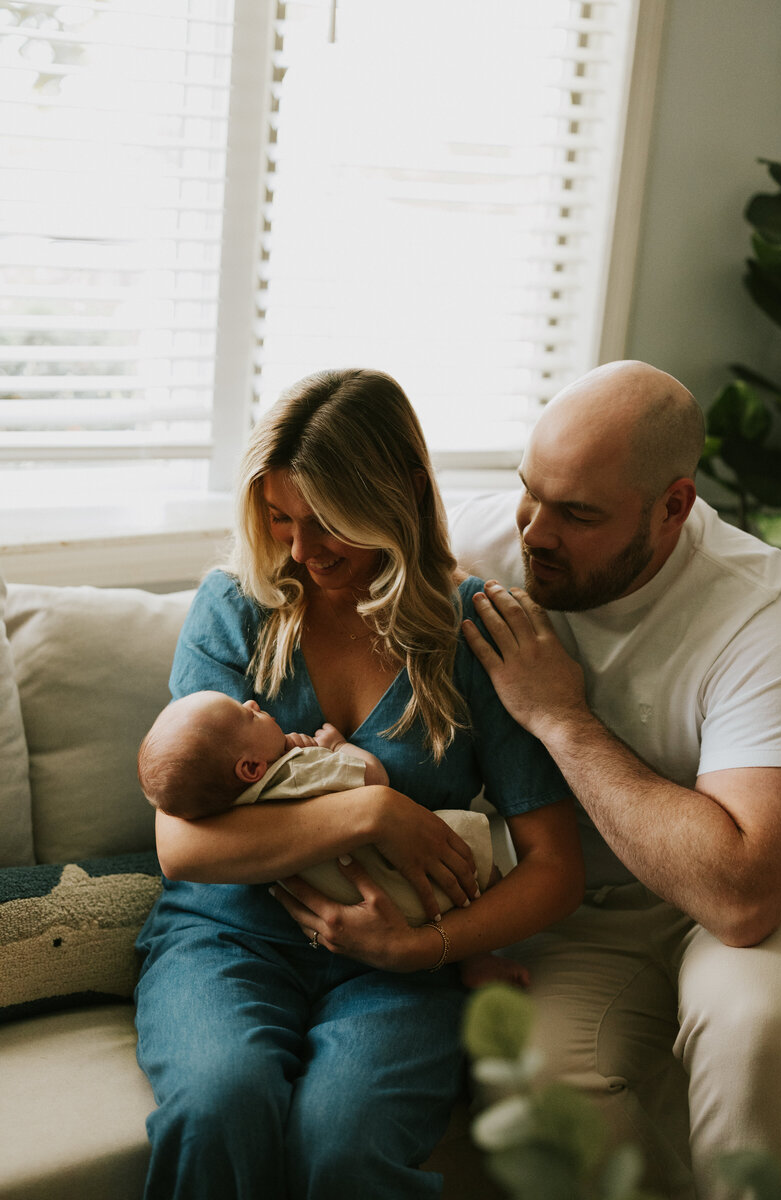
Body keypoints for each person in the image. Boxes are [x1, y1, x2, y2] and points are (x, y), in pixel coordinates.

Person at [134, 366, 584, 1200]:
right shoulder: (237, 605)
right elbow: (182, 845)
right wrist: (371, 811)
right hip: (227, 939)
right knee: (220, 1105)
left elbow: (558, 865)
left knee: (344, 1147)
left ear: (404, 494)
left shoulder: (473, 630)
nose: (301, 551)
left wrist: (424, 948)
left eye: (328, 522)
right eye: (280, 519)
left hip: (398, 967)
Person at [462, 359, 781, 1200]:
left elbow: (742, 895)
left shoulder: (765, 613)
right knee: (532, 1090)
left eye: (578, 513)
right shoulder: (479, 548)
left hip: (723, 916)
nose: (536, 532)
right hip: (572, 909)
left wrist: (562, 719)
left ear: (674, 508)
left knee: (756, 1027)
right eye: (529, 491)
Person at [136, 688, 500, 934]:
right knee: (485, 873)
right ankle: (481, 951)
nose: (250, 703)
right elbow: (375, 778)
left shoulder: (227, 804)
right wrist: (337, 747)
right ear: (250, 769)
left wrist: (276, 748)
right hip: (398, 887)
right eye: (245, 716)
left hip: (358, 906)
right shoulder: (300, 769)